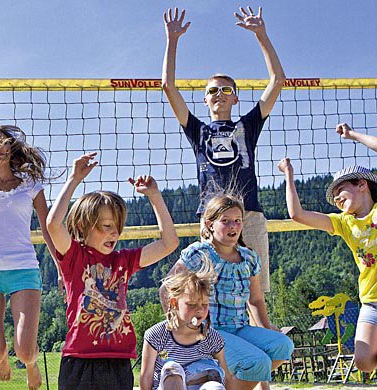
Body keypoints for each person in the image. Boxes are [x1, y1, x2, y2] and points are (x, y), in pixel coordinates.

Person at [277, 123, 377, 387]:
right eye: (335, 200)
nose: (338, 200)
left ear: (362, 184)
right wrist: (289, 175)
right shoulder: (343, 223)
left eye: (340, 192)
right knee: (364, 363)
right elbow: (297, 215)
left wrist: (351, 135)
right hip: (373, 302)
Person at [161, 6, 285, 293]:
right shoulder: (198, 131)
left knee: (255, 294)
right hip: (211, 217)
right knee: (207, 291)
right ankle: (212, 339)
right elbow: (168, 86)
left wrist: (261, 35)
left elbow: (277, 80)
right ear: (205, 100)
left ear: (236, 98)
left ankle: (260, 335)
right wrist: (172, 39)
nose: (219, 94)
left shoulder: (247, 126)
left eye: (226, 90)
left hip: (248, 214)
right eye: (212, 90)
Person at [45, 152, 179, 390]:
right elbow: (53, 224)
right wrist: (74, 179)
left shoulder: (123, 261)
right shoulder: (75, 257)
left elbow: (169, 243)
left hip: (118, 360)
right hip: (79, 360)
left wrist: (155, 197)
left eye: (117, 227)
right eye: (107, 226)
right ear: (82, 225)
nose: (114, 233)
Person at [163, 195, 293, 390]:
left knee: (282, 346)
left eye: (237, 221)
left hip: (239, 328)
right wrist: (180, 327)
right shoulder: (200, 254)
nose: (233, 226)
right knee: (258, 362)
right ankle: (227, 381)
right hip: (209, 330)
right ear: (210, 224)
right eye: (225, 221)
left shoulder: (248, 257)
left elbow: (256, 299)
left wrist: (266, 328)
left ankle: (228, 382)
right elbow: (166, 289)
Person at [0, 125, 57, 389]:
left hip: (24, 269)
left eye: (3, 143)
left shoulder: (30, 184)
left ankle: (31, 366)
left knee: (26, 351)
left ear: (10, 147)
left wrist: (61, 268)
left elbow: (47, 227)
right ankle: (3, 359)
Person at [140, 269, 233, 390]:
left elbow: (226, 375)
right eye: (192, 304)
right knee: (171, 369)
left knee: (214, 386)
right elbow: (146, 376)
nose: (199, 310)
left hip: (200, 384)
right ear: (174, 303)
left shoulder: (212, 337)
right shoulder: (156, 334)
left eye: (204, 305)